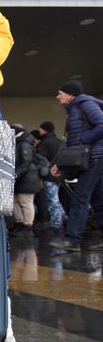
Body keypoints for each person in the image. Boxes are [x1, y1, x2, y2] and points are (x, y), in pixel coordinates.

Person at [49, 80, 103, 252]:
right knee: (97, 199)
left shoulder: (85, 104)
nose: (58, 96)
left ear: (71, 94)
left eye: (60, 93)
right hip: (91, 158)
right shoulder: (75, 109)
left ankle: (72, 240)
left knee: (80, 197)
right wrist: (59, 163)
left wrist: (83, 140)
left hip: (94, 158)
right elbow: (70, 143)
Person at [10, 124, 40, 238]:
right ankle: (20, 224)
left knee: (25, 202)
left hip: (27, 178)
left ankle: (27, 227)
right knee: (16, 202)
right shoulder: (20, 142)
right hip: (22, 178)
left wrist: (16, 174)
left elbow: (26, 162)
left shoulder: (23, 143)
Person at [37, 121, 65, 232]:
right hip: (60, 174)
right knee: (56, 199)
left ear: (44, 129)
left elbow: (40, 158)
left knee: (52, 200)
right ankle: (64, 218)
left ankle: (57, 224)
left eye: (40, 129)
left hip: (49, 175)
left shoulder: (44, 143)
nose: (39, 131)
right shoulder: (60, 142)